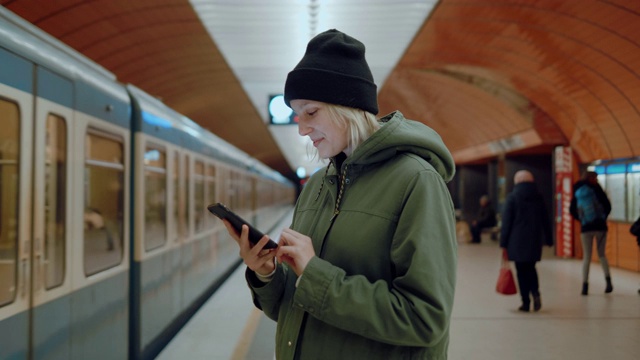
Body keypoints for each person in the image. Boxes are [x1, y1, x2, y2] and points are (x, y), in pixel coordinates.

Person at [221, 29, 458, 359]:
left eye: (311, 112)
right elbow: (292, 309)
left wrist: (315, 273)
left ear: (348, 106)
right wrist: (266, 273)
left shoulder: (416, 181)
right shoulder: (317, 186)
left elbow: (425, 319)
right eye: (296, 115)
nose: (302, 129)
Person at [500, 170, 553, 312]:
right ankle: (535, 292)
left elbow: (507, 223)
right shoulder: (539, 198)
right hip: (534, 240)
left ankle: (525, 302)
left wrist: (503, 242)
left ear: (516, 181)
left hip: (516, 241)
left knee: (521, 271)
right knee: (531, 268)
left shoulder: (512, 198)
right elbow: (545, 220)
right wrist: (549, 238)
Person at [569, 170, 612, 295]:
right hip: (600, 228)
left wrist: (582, 220)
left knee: (587, 256)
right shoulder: (597, 189)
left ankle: (585, 285)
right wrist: (602, 218)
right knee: (602, 255)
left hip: (586, 228)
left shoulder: (577, 189)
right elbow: (608, 206)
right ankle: (608, 281)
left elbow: (572, 209)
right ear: (592, 178)